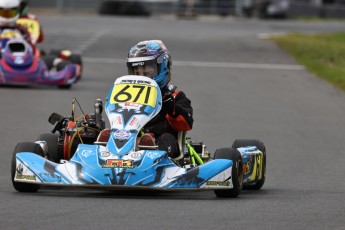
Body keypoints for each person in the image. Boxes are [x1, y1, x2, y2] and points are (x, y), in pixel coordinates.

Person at [126, 40, 194, 159]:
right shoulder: (128, 97)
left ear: (163, 67)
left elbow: (186, 124)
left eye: (147, 72)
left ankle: (152, 153)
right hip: (133, 141)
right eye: (137, 73)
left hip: (164, 144)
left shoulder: (175, 96)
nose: (142, 77)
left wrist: (171, 108)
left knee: (165, 139)